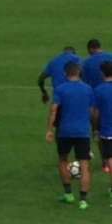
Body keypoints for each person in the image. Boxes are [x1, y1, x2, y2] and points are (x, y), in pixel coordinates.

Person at [45, 62, 94, 210]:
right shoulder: (88, 89)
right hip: (83, 131)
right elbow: (92, 111)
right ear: (79, 72)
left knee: (63, 160)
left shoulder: (60, 89)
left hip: (65, 131)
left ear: (66, 73)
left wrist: (49, 130)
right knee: (85, 165)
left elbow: (54, 110)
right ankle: (83, 201)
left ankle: (68, 194)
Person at [82, 39, 112, 173]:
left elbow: (84, 83)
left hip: (98, 100)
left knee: (101, 132)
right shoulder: (110, 56)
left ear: (90, 49)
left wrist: (94, 129)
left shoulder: (86, 63)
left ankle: (105, 162)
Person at [93, 61, 112, 206]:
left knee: (110, 159)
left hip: (107, 131)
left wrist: (95, 129)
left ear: (102, 73)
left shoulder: (99, 90)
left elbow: (95, 113)